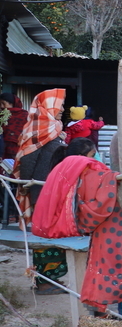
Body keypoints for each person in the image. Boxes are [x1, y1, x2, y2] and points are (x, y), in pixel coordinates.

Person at [15, 89, 67, 295]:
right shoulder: (38, 130)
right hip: (43, 192)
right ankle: (45, 282)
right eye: (60, 104)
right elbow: (27, 162)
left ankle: (51, 279)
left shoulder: (53, 128)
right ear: (49, 107)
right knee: (46, 236)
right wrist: (30, 187)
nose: (63, 109)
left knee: (55, 235)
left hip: (53, 191)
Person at [1, 93, 28, 160]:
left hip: (18, 150)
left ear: (12, 104)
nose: (1, 106)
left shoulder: (24, 115)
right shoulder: (2, 117)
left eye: (3, 103)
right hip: (2, 151)